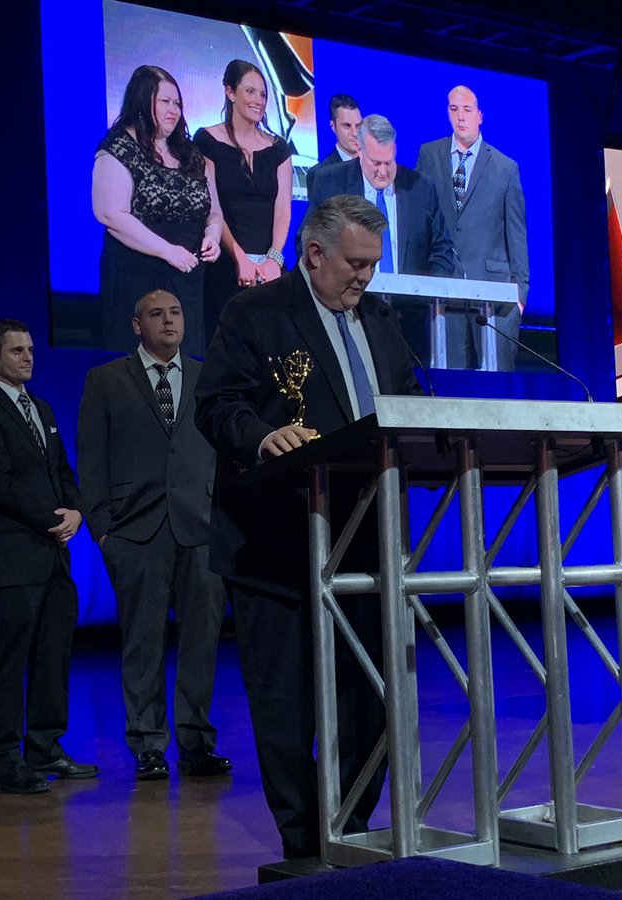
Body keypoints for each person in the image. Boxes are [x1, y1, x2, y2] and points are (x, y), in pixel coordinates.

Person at [194, 194, 423, 860]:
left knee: (368, 702)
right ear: (315, 254)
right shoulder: (255, 313)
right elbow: (216, 405)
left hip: (368, 542)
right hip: (277, 542)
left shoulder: (380, 318)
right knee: (286, 707)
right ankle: (304, 844)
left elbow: (412, 402)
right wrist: (263, 437)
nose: (365, 278)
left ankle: (349, 825)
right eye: (355, 263)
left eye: (374, 265)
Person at [77, 290, 230, 781]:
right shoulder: (105, 381)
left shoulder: (208, 377)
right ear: (136, 325)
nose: (169, 321)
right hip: (134, 530)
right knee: (142, 643)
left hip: (201, 529)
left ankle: (196, 742)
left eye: (176, 313)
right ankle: (147, 744)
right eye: (157, 314)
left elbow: (225, 453)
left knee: (202, 640)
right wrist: (102, 529)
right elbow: (92, 457)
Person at [0, 319, 96, 794]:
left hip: (54, 555)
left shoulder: (41, 406)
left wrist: (76, 510)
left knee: (52, 655)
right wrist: (52, 518)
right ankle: (4, 759)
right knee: (9, 661)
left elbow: (61, 469)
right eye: (16, 350)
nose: (28, 357)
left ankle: (45, 746)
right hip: (13, 556)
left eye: (31, 349)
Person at [93, 64, 223, 356]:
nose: (173, 109)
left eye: (177, 103)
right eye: (165, 101)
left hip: (187, 280)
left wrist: (213, 235)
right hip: (138, 276)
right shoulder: (118, 148)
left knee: (187, 369)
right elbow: (110, 214)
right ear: (142, 100)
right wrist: (168, 251)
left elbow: (213, 212)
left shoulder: (190, 153)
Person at [416, 85, 529, 370]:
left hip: (493, 295)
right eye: (454, 110)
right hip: (443, 290)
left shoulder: (505, 168)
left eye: (467, 110)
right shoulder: (429, 155)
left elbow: (517, 235)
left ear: (480, 116)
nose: (460, 117)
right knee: (449, 380)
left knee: (495, 386)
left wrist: (520, 297)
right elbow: (420, 222)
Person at [193, 60, 293, 343]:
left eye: (263, 94)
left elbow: (283, 210)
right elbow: (213, 207)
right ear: (230, 92)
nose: (258, 101)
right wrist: (239, 257)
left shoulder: (278, 148)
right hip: (225, 264)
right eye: (250, 92)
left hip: (269, 269)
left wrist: (273, 258)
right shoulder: (207, 140)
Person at [305, 114, 453, 278]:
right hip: (349, 299)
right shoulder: (330, 183)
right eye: (376, 163)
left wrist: (428, 288)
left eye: (388, 162)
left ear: (395, 150)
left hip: (409, 302)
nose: (383, 172)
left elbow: (442, 250)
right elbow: (309, 241)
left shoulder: (421, 188)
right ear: (359, 150)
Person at [305, 94, 362, 191]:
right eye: (347, 126)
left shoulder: (376, 166)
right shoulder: (319, 175)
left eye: (358, 125)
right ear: (333, 126)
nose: (355, 133)